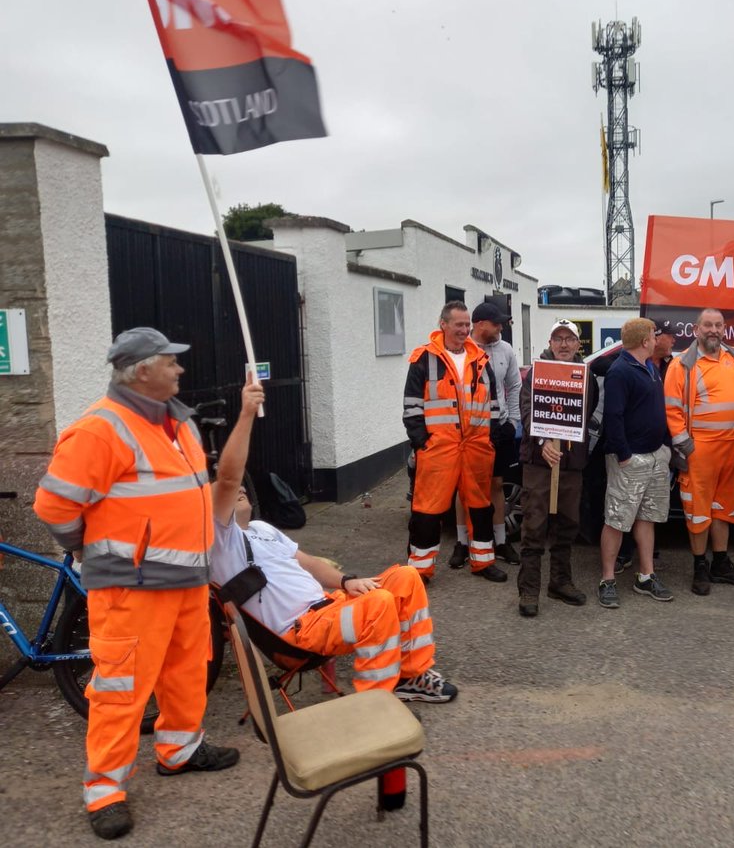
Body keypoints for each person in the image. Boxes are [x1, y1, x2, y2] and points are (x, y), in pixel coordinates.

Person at [33, 327, 239, 841]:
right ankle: (104, 790)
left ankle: (181, 749)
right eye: (171, 361)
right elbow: (54, 506)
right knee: (121, 689)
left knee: (188, 669)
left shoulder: (179, 422)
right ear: (141, 370)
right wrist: (89, 547)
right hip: (131, 586)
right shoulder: (99, 430)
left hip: (188, 578)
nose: (180, 369)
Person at [211, 374, 456, 701]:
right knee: (379, 604)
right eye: (228, 491)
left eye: (243, 487)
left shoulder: (261, 530)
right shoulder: (218, 540)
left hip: (330, 606)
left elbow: (309, 562)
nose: (240, 489)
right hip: (301, 632)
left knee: (407, 577)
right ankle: (376, 702)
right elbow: (228, 477)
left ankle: (411, 676)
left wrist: (345, 582)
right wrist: (245, 414)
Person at [403, 301, 506, 583]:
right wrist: (421, 442)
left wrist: (490, 439)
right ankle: (419, 571)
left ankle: (483, 562)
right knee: (427, 509)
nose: (464, 330)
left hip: (476, 447)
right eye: (458, 324)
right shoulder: (423, 359)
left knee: (481, 506)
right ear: (443, 325)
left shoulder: (481, 360)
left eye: (467, 325)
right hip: (438, 448)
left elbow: (493, 405)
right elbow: (412, 406)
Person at [664, 308, 734, 596]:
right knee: (698, 510)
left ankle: (721, 564)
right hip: (700, 451)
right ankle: (699, 567)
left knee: (724, 509)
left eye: (718, 325)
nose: (714, 330)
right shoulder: (682, 365)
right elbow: (672, 409)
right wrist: (686, 447)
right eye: (708, 325)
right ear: (696, 330)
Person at [516, 320, 599, 617]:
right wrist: (542, 442)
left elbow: (585, 412)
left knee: (567, 525)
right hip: (540, 463)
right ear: (550, 343)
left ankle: (560, 582)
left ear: (578, 344)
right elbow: (527, 410)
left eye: (569, 339)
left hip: (571, 463)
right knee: (534, 525)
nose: (563, 344)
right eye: (558, 339)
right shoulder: (536, 373)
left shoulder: (587, 377)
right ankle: (528, 589)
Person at [597, 317, 674, 608]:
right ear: (644, 341)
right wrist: (625, 456)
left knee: (647, 517)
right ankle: (607, 579)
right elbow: (613, 417)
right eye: (654, 334)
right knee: (616, 519)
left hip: (655, 456)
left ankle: (646, 576)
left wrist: (664, 447)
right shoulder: (620, 371)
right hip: (629, 460)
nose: (658, 338)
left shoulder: (649, 367)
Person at [452, 302, 521, 568]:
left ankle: (501, 542)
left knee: (496, 484)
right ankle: (462, 543)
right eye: (497, 323)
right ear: (481, 325)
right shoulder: (461, 352)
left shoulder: (505, 350)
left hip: (500, 428)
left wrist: (513, 423)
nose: (501, 327)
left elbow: (514, 385)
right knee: (464, 487)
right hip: (470, 431)